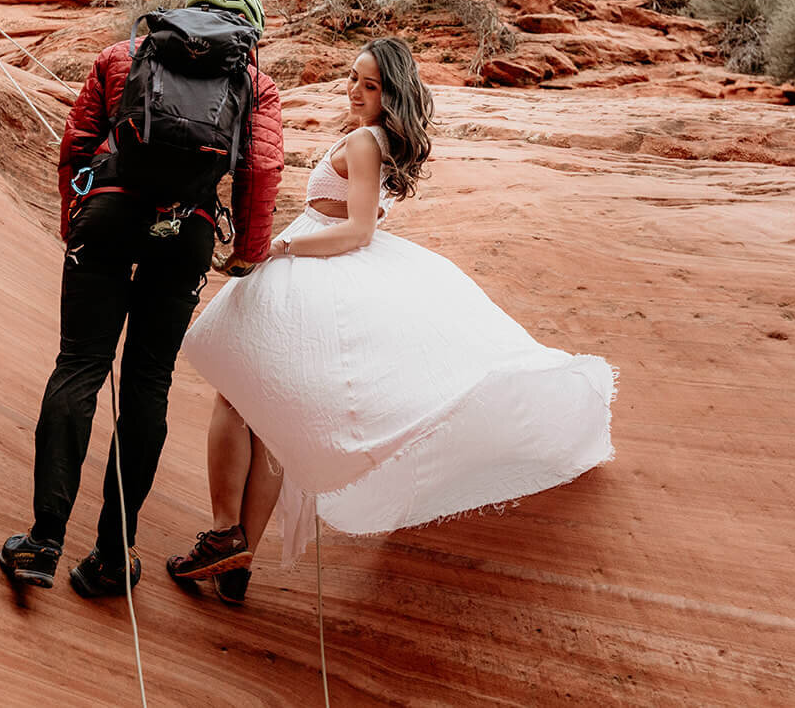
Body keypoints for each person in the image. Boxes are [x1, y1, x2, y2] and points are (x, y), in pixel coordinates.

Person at [164, 37, 616, 604]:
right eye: (353, 77)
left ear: (391, 95)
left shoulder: (363, 141)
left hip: (315, 269)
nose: (354, 90)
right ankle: (236, 558)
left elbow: (357, 231)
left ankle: (226, 534)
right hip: (329, 268)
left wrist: (278, 249)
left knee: (237, 395)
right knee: (270, 415)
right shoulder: (377, 139)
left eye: (370, 85)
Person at [0, 0, 283, 597]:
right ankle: (109, 556)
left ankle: (43, 544)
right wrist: (246, 254)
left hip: (108, 217)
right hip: (186, 234)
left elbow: (76, 144)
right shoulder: (255, 84)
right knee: (147, 384)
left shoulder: (125, 54)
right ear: (248, 33)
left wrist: (76, 220)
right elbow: (261, 171)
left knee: (79, 367)